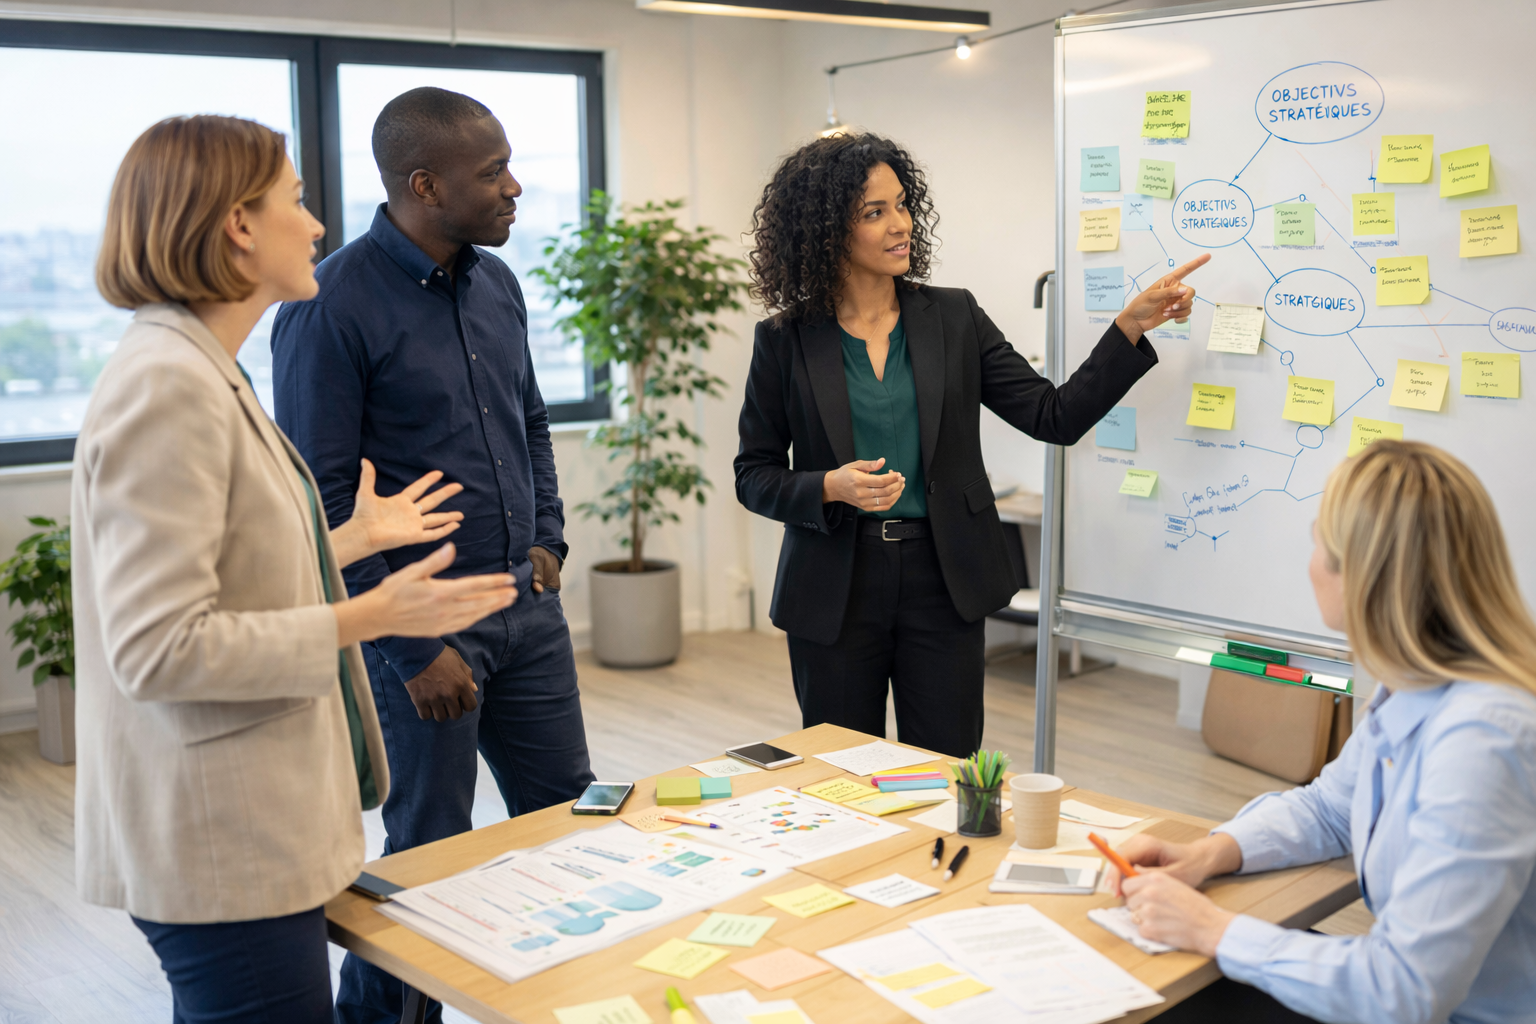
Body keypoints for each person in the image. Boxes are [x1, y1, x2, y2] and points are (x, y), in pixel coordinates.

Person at [77, 115, 518, 1024]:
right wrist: (374, 611)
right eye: (297, 200)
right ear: (239, 224)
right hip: (218, 846)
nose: (317, 225)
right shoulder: (168, 384)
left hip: (246, 832)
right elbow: (160, 649)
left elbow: (233, 568)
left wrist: (350, 541)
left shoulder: (206, 369)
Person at [270, 86, 595, 1024]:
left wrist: (547, 540)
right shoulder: (329, 307)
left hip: (525, 615)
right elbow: (323, 502)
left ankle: (563, 1001)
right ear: (425, 184)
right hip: (419, 631)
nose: (514, 187)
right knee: (425, 858)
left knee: (572, 820)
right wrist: (412, 654)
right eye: (491, 173)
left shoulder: (497, 283)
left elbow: (527, 421)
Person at [734, 132, 1207, 757]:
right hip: (833, 587)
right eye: (875, 213)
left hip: (943, 578)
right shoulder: (785, 340)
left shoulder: (953, 318)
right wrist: (828, 485)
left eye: (902, 204)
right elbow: (754, 473)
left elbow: (1053, 414)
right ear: (825, 232)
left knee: (947, 769)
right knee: (839, 775)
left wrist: (1128, 327)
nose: (900, 224)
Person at [1107, 440, 1536, 1024]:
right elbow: (1331, 810)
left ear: (1364, 574)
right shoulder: (1416, 685)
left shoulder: (1484, 739)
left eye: (1318, 541)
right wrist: (1207, 855)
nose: (1310, 562)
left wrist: (1213, 928)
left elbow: (1402, 992)